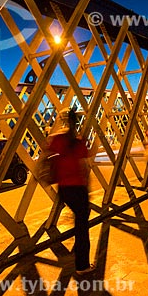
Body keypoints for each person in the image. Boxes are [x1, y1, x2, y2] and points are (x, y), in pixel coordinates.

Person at [48, 108, 95, 275]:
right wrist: (87, 190)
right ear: (77, 123)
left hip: (63, 188)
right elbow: (84, 167)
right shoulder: (79, 142)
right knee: (82, 225)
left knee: (79, 220)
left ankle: (78, 254)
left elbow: (48, 153)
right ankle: (82, 265)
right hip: (78, 187)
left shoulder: (57, 139)